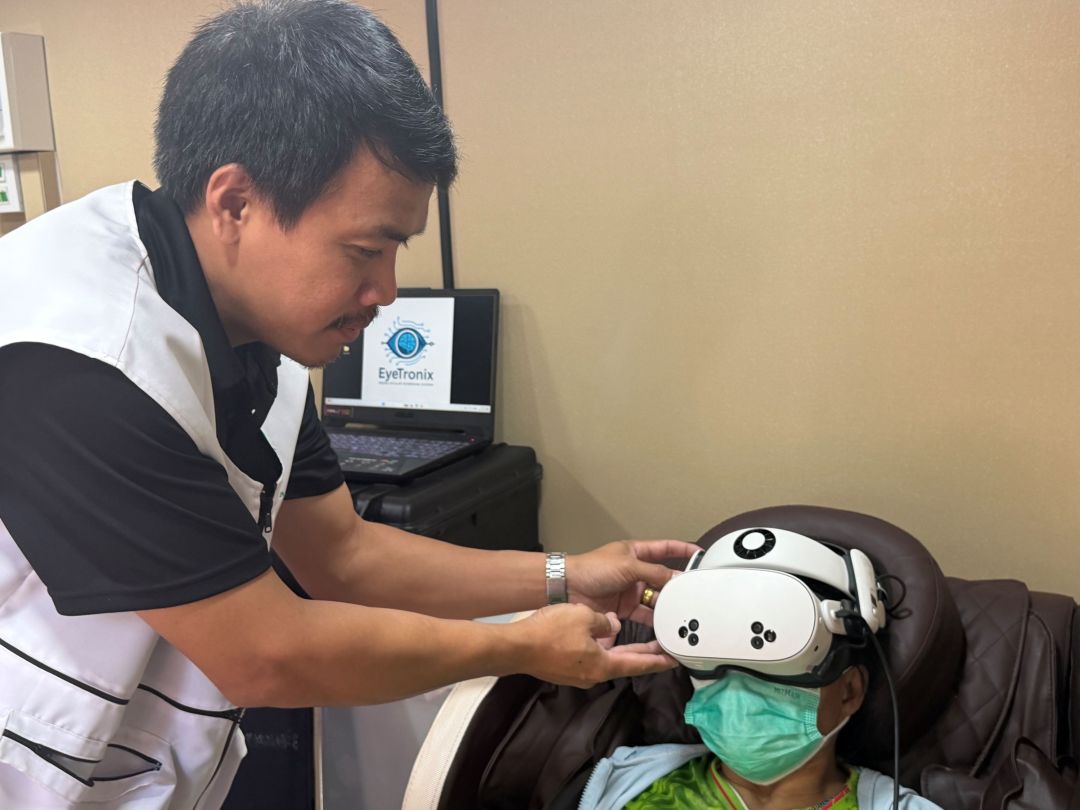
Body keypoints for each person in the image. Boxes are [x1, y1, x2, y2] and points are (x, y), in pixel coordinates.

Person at [0, 1, 697, 806]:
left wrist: (565, 576)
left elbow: (343, 556)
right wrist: (521, 649)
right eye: (365, 251)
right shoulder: (80, 355)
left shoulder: (260, 336)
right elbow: (265, 653)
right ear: (235, 203)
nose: (387, 292)